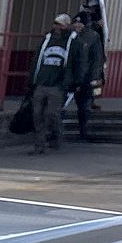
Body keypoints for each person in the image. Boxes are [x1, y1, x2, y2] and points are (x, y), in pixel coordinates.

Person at [27, 13, 79, 155]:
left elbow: (76, 63)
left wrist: (70, 83)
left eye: (60, 24)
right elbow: (37, 60)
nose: (57, 27)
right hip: (42, 83)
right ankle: (40, 145)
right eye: (56, 23)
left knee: (51, 113)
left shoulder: (72, 42)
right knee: (37, 114)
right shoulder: (47, 40)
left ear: (66, 26)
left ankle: (56, 136)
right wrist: (32, 80)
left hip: (57, 85)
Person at [70, 12, 105, 138]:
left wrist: (94, 77)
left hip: (85, 78)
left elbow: (97, 59)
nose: (77, 25)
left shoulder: (92, 37)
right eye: (76, 22)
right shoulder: (70, 36)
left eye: (80, 22)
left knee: (83, 106)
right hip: (69, 76)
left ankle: (83, 129)